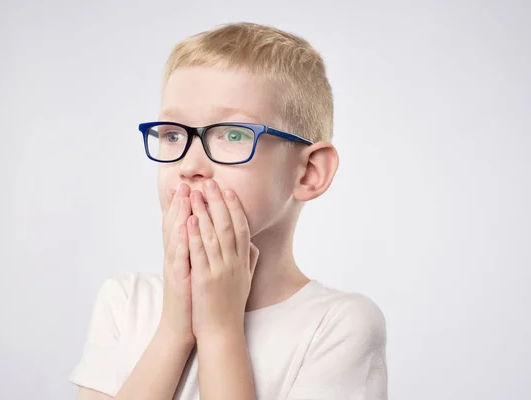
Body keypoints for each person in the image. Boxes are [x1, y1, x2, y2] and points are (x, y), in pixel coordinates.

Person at [70, 22, 388, 400]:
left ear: (308, 172)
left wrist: (220, 330)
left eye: (233, 134)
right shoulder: (126, 301)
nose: (190, 165)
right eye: (174, 134)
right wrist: (174, 330)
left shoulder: (338, 325)